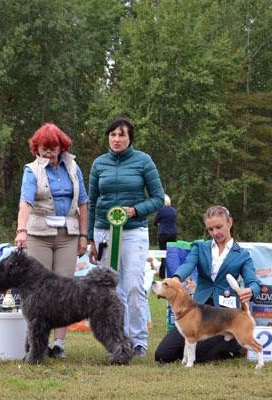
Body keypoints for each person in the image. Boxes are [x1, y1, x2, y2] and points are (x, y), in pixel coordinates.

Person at [87, 117, 164, 358]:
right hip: (103, 232)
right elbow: (91, 203)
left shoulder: (144, 161)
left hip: (134, 232)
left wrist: (135, 210)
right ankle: (116, 341)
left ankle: (139, 341)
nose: (117, 139)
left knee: (132, 286)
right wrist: (90, 237)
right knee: (110, 290)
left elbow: (158, 198)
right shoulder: (99, 164)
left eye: (122, 135)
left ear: (130, 138)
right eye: (113, 135)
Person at [15, 123, 89, 359]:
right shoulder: (31, 170)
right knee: (38, 293)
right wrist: (21, 230)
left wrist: (83, 236)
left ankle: (59, 344)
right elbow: (26, 202)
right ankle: (36, 345)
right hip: (39, 235)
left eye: (52, 148)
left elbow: (83, 203)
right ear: (36, 148)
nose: (47, 153)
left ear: (61, 147)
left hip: (68, 234)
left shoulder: (73, 167)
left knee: (65, 290)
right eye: (42, 148)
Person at [154, 205, 261, 364]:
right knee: (163, 354)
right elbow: (187, 265)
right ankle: (224, 346)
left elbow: (253, 281)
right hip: (198, 308)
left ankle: (231, 343)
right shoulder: (200, 248)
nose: (215, 233)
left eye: (219, 227)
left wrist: (251, 290)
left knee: (199, 355)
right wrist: (176, 277)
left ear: (229, 222)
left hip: (224, 314)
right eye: (210, 229)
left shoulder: (242, 254)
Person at [153, 194, 178, 278]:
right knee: (171, 254)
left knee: (164, 254)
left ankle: (163, 274)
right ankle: (172, 273)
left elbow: (155, 222)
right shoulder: (174, 210)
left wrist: (159, 223)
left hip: (163, 233)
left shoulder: (160, 210)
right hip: (173, 233)